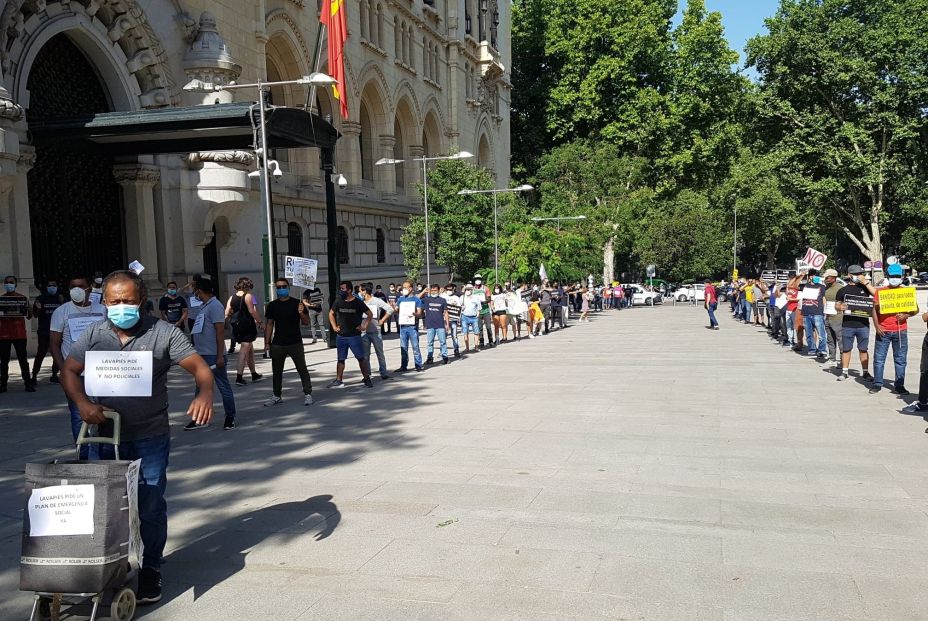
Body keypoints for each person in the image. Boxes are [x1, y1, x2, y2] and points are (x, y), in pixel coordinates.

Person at [60, 269, 214, 605]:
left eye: (128, 301)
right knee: (105, 507)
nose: (121, 307)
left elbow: (200, 368)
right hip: (104, 439)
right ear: (104, 302)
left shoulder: (163, 333)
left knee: (150, 505)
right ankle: (109, 565)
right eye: (114, 301)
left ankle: (151, 567)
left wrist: (204, 393)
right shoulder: (95, 333)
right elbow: (68, 371)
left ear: (142, 300)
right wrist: (83, 403)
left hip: (149, 437)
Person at [50, 276, 107, 456]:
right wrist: (63, 371)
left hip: (101, 372)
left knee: (104, 412)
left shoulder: (102, 310)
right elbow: (54, 344)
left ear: (89, 288)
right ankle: (83, 455)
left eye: (81, 286)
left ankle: (103, 453)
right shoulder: (61, 312)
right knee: (78, 415)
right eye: (73, 286)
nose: (77, 289)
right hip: (75, 374)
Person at [186, 278, 237, 430]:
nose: (195, 294)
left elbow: (220, 332)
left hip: (213, 354)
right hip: (201, 354)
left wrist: (220, 355)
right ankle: (199, 418)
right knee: (200, 387)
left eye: (196, 291)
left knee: (223, 386)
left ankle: (230, 417)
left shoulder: (215, 306)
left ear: (200, 291)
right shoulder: (204, 306)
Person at [870, 263, 919, 394]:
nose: (895, 278)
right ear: (888, 276)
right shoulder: (880, 292)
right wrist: (877, 326)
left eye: (897, 276)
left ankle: (899, 385)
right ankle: (877, 383)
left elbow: (916, 309)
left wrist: (906, 315)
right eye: (892, 276)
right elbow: (874, 310)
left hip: (900, 330)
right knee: (879, 359)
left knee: (901, 359)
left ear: (901, 277)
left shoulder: (906, 292)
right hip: (883, 330)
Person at [263, 278, 313, 406]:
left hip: (295, 342)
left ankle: (308, 393)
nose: (281, 289)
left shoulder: (298, 303)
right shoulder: (272, 305)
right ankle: (276, 395)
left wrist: (301, 313)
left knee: (302, 369)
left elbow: (306, 322)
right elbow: (269, 324)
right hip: (278, 343)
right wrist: (267, 342)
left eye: (283, 286)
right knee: (277, 371)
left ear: (288, 287)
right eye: (278, 287)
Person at [328, 280, 374, 388]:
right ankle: (339, 380)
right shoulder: (338, 301)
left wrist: (364, 326)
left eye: (343, 289)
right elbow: (331, 313)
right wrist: (334, 326)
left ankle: (366, 378)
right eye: (340, 289)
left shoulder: (357, 302)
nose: (341, 291)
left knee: (361, 358)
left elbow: (369, 314)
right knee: (340, 359)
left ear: (349, 290)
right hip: (341, 336)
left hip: (354, 336)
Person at [835, 265, 875, 382]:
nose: (859, 276)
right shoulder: (842, 290)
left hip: (863, 325)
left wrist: (866, 283)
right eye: (856, 274)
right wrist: (839, 307)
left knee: (863, 349)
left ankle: (865, 372)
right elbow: (837, 305)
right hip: (848, 324)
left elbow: (877, 294)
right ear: (849, 275)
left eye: (860, 274)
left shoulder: (865, 288)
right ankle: (844, 372)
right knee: (846, 349)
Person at [226, 277, 263, 386]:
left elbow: (226, 312)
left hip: (237, 326)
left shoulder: (231, 297)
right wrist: (260, 322)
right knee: (244, 351)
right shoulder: (248, 296)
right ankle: (239, 377)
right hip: (247, 326)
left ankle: (254, 374)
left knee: (249, 350)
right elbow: (252, 311)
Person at [0, 275, 33, 392]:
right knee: (4, 361)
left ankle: (28, 383)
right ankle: (3, 384)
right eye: (7, 282)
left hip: (19, 334)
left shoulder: (22, 298)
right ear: (4, 284)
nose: (9, 284)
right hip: (4, 334)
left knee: (23, 360)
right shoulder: (1, 299)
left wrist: (30, 309)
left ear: (15, 284)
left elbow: (29, 316)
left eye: (11, 282)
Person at [32, 279, 64, 384]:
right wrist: (38, 308)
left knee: (57, 353)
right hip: (44, 331)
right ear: (46, 287)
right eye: (50, 285)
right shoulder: (40, 299)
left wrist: (62, 302)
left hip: (57, 331)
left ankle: (54, 374)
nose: (52, 287)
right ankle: (34, 375)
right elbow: (35, 315)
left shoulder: (60, 298)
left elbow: (65, 313)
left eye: (54, 285)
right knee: (41, 353)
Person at [360, 284, 394, 379]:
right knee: (365, 355)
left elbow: (390, 309)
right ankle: (367, 375)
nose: (360, 293)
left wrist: (382, 320)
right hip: (364, 332)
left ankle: (384, 373)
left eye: (361, 291)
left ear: (365, 291)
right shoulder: (361, 302)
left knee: (380, 353)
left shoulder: (377, 301)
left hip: (375, 331)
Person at [395, 280, 424, 372]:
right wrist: (393, 307)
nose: (403, 289)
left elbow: (419, 313)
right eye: (403, 287)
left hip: (412, 327)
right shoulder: (400, 299)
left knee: (415, 347)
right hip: (403, 326)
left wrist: (415, 314)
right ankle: (403, 366)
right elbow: (396, 309)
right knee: (403, 348)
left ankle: (418, 365)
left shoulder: (416, 299)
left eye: (405, 287)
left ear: (411, 288)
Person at [800, 271, 828, 360]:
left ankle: (822, 350)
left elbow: (824, 299)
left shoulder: (822, 287)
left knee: (821, 333)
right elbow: (795, 286)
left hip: (818, 312)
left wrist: (825, 311)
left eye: (817, 276)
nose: (815, 277)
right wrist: (801, 276)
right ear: (810, 277)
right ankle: (812, 349)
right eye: (813, 276)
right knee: (809, 333)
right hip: (806, 312)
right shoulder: (805, 286)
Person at [423, 283, 450, 365]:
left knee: (443, 342)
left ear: (439, 291)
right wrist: (424, 291)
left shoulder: (442, 300)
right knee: (430, 343)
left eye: (435, 290)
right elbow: (416, 298)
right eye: (432, 290)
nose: (434, 292)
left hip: (440, 325)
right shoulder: (427, 300)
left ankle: (445, 357)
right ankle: (430, 358)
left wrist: (447, 324)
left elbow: (446, 312)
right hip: (430, 325)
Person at [442, 283, 462, 356]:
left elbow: (459, 309)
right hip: (444, 320)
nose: (449, 291)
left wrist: (459, 318)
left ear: (453, 290)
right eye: (448, 289)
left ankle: (456, 350)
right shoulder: (442, 296)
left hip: (453, 319)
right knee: (443, 336)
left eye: (450, 289)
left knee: (454, 336)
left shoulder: (456, 298)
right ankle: (442, 351)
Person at [460, 283, 481, 353]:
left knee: (476, 332)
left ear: (472, 290)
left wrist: (478, 315)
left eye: (469, 289)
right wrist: (461, 308)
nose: (468, 291)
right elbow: (458, 307)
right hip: (464, 316)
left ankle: (476, 347)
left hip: (474, 317)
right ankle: (467, 348)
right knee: (465, 332)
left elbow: (478, 307)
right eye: (467, 289)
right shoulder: (462, 297)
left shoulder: (476, 297)